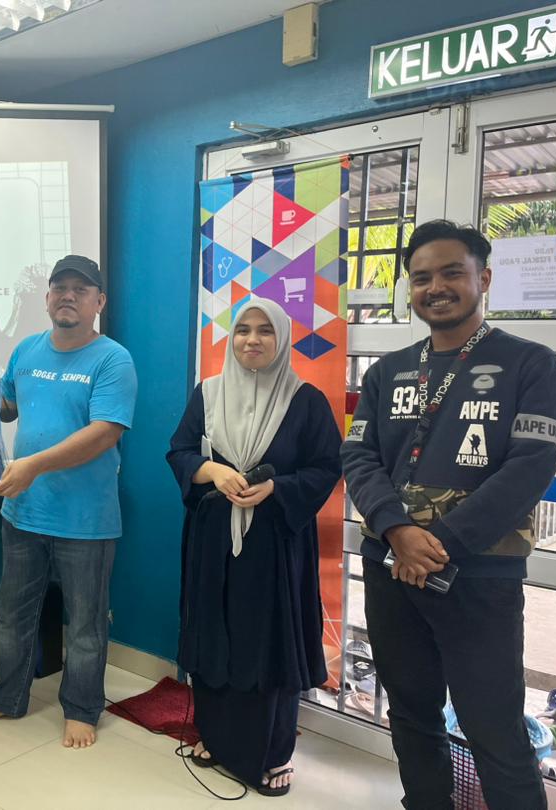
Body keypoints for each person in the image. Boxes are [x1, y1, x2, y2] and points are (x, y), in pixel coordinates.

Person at [341, 220, 556, 810]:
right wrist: (398, 531)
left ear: (483, 279)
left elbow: (531, 467)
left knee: (494, 727)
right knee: (411, 714)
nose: (435, 287)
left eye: (451, 273)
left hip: (479, 578)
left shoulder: (530, 364)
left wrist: (437, 542)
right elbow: (359, 456)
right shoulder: (386, 371)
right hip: (391, 569)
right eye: (421, 278)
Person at [166, 296, 341, 797]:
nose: (252, 340)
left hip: (274, 548)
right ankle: (216, 737)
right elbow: (179, 451)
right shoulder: (208, 393)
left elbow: (327, 467)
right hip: (214, 542)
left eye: (265, 330)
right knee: (215, 635)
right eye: (243, 330)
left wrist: (276, 488)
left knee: (268, 644)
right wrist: (212, 470)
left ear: (282, 338)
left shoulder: (305, 400)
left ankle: (271, 752)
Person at [0, 255, 137, 749]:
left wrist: (33, 465)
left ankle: (81, 709)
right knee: (13, 616)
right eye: (60, 287)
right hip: (24, 513)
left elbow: (104, 433)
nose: (68, 296)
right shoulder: (27, 349)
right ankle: (6, 698)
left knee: (84, 626)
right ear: (47, 298)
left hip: (86, 520)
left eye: (81, 289)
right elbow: (7, 406)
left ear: (99, 302)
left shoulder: (113, 360)